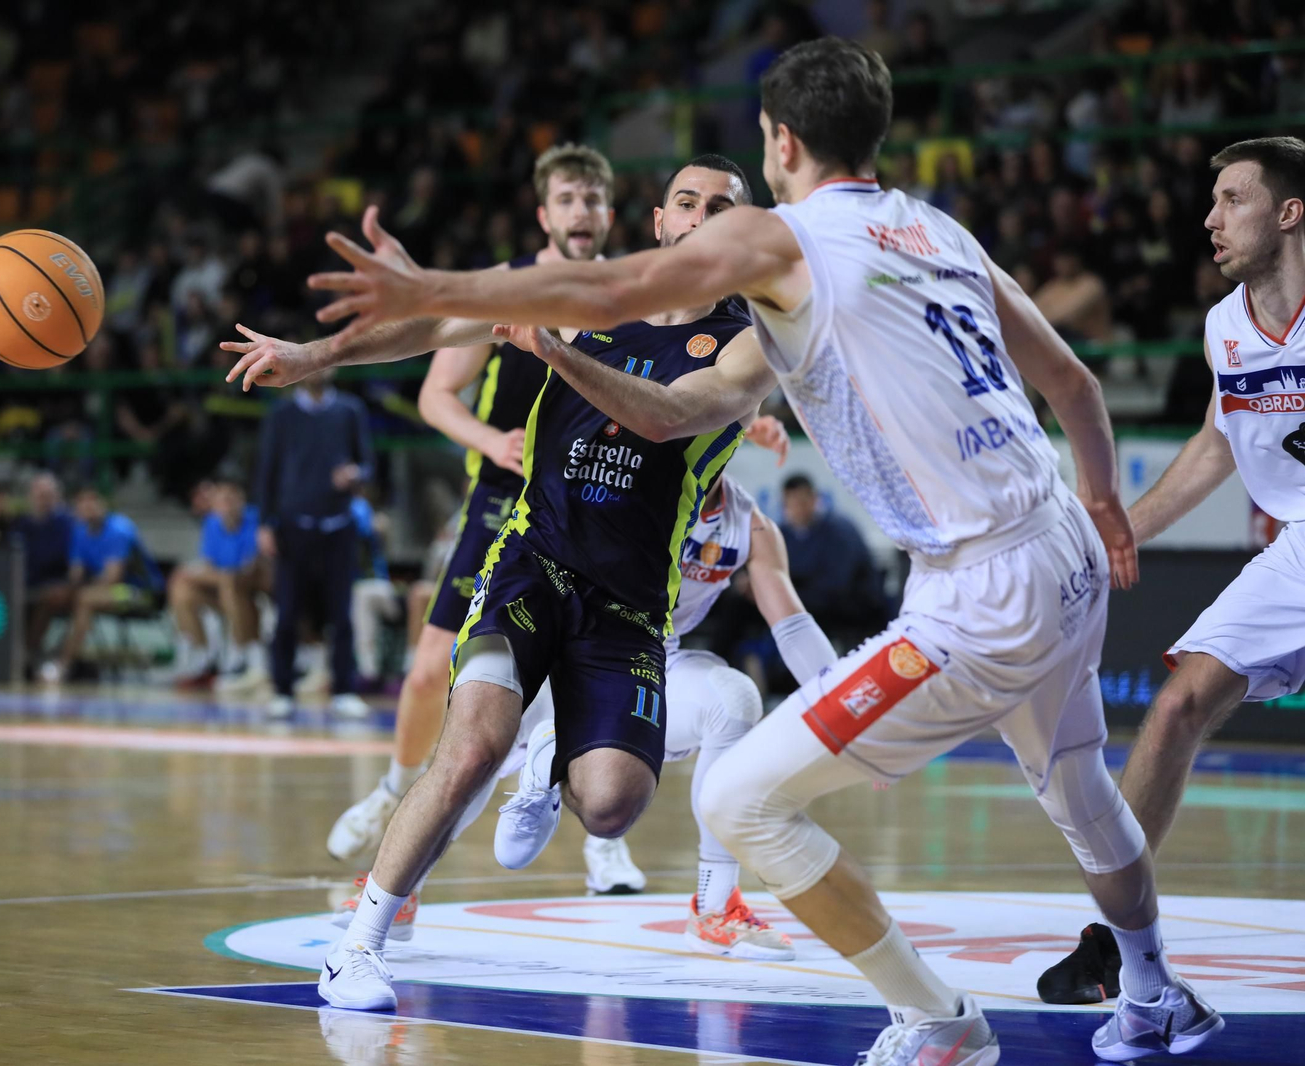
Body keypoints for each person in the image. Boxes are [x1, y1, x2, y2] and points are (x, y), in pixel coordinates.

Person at [291, 38, 1218, 1065]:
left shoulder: (783, 243)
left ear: (779, 141)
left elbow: (605, 301)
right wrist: (1101, 499)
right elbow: (1077, 386)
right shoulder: (940, 228)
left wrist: (432, 287)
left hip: (979, 591)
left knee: (739, 799)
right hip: (1065, 546)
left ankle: (939, 1019)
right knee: (1081, 788)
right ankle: (1150, 985)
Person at [226, 154, 772, 1012]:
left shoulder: (752, 341)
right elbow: (442, 325)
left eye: (723, 208)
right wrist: (313, 352)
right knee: (473, 744)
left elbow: (668, 416)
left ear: (745, 235)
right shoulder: (587, 290)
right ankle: (359, 944)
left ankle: (552, 756)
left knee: (612, 805)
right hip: (531, 562)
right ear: (660, 222)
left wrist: (555, 353)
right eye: (685, 201)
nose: (701, 216)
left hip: (629, 605)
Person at [330, 470, 836, 961]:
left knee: (734, 699)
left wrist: (847, 717)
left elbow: (792, 626)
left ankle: (714, 905)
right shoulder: (628, 475)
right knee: (475, 749)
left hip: (646, 655)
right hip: (563, 640)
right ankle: (399, 892)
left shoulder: (747, 523)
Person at [1040, 137, 1305, 1010]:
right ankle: (1117, 942)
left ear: (1289, 213)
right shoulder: (1225, 324)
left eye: (1233, 199)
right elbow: (1216, 442)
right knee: (1180, 702)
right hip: (1295, 547)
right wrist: (1119, 528)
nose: (1210, 218)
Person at [321, 144, 628, 882]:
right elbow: (434, 394)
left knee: (584, 671)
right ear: (543, 214)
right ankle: (394, 791)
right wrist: (492, 439)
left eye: (592, 198)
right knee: (432, 670)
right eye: (567, 199)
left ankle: (604, 837)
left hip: (592, 496)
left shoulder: (633, 292)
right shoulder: (502, 286)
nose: (580, 212)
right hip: (503, 495)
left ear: (610, 213)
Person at [251, 369, 375, 718]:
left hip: (339, 525)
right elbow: (266, 471)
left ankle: (344, 690)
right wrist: (264, 523)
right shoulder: (281, 414)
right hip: (293, 526)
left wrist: (355, 475)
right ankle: (283, 689)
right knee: (287, 611)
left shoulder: (350, 410)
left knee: (341, 613)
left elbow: (368, 464)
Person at [39, 487, 164, 685]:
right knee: (53, 595)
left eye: (92, 501)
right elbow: (76, 574)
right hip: (102, 591)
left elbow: (112, 578)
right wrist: (67, 590)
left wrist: (79, 589)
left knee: (85, 599)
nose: (88, 507)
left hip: (139, 594)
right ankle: (30, 658)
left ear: (103, 504)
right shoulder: (80, 532)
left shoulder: (119, 529)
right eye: (82, 502)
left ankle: (63, 665)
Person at [166, 478, 266, 688]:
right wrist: (199, 575)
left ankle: (243, 657)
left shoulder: (256, 519)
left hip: (253, 586)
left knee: (230, 584)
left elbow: (248, 569)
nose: (227, 505)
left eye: (232, 499)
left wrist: (201, 575)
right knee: (181, 588)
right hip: (224, 588)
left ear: (242, 500)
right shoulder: (211, 523)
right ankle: (202, 656)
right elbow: (209, 565)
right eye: (222, 500)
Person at [778, 473, 891, 645]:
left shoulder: (839, 530)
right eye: (791, 504)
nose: (797, 509)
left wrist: (789, 594)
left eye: (802, 502)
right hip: (814, 603)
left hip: (852, 607)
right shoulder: (783, 533)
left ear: (815, 499)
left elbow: (836, 586)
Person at [13, 472, 75, 672]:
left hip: (55, 583)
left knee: (50, 596)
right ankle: (6, 653)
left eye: (48, 494)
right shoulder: (22, 524)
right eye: (40, 494)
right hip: (23, 584)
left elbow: (66, 560)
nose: (44, 499)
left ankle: (26, 654)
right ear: (31, 496)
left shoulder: (67, 524)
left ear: (57, 497)